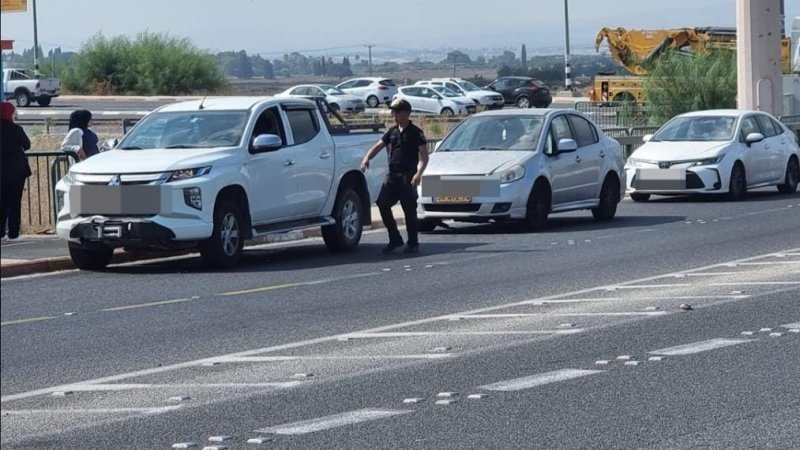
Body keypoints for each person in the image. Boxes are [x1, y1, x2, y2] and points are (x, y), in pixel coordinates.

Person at [361, 98, 429, 254]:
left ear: (406, 113)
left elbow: (424, 156)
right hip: (392, 176)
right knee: (383, 204)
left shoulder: (416, 133)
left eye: (397, 111)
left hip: (408, 177)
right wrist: (366, 159)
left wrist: (419, 174)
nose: (394, 115)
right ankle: (395, 238)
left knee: (409, 211)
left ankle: (413, 243)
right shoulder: (392, 131)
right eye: (393, 112)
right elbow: (378, 146)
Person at [0, 102, 32, 240]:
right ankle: (13, 233)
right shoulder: (16, 129)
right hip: (17, 172)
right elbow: (27, 145)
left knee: (1, 203)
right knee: (15, 203)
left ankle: (0, 232)